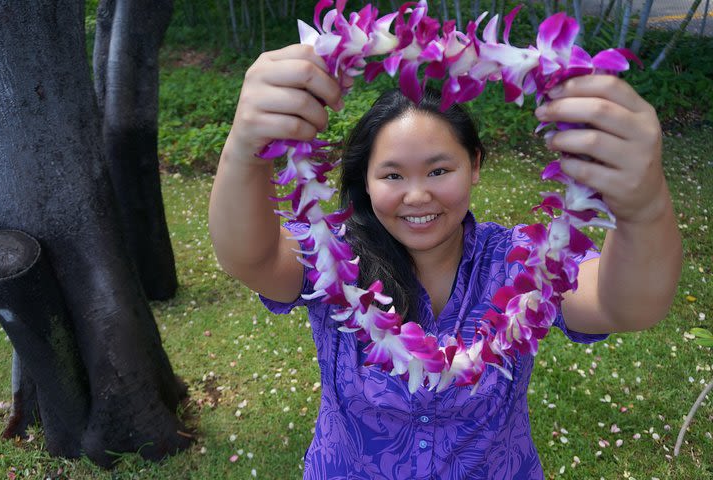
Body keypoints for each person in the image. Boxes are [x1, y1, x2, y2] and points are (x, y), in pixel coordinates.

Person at [208, 44, 682, 479]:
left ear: (474, 164)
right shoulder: (337, 259)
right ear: (367, 182)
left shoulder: (519, 262)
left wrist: (644, 206)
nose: (418, 195)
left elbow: (626, 303)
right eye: (393, 174)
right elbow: (252, 257)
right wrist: (245, 148)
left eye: (439, 170)